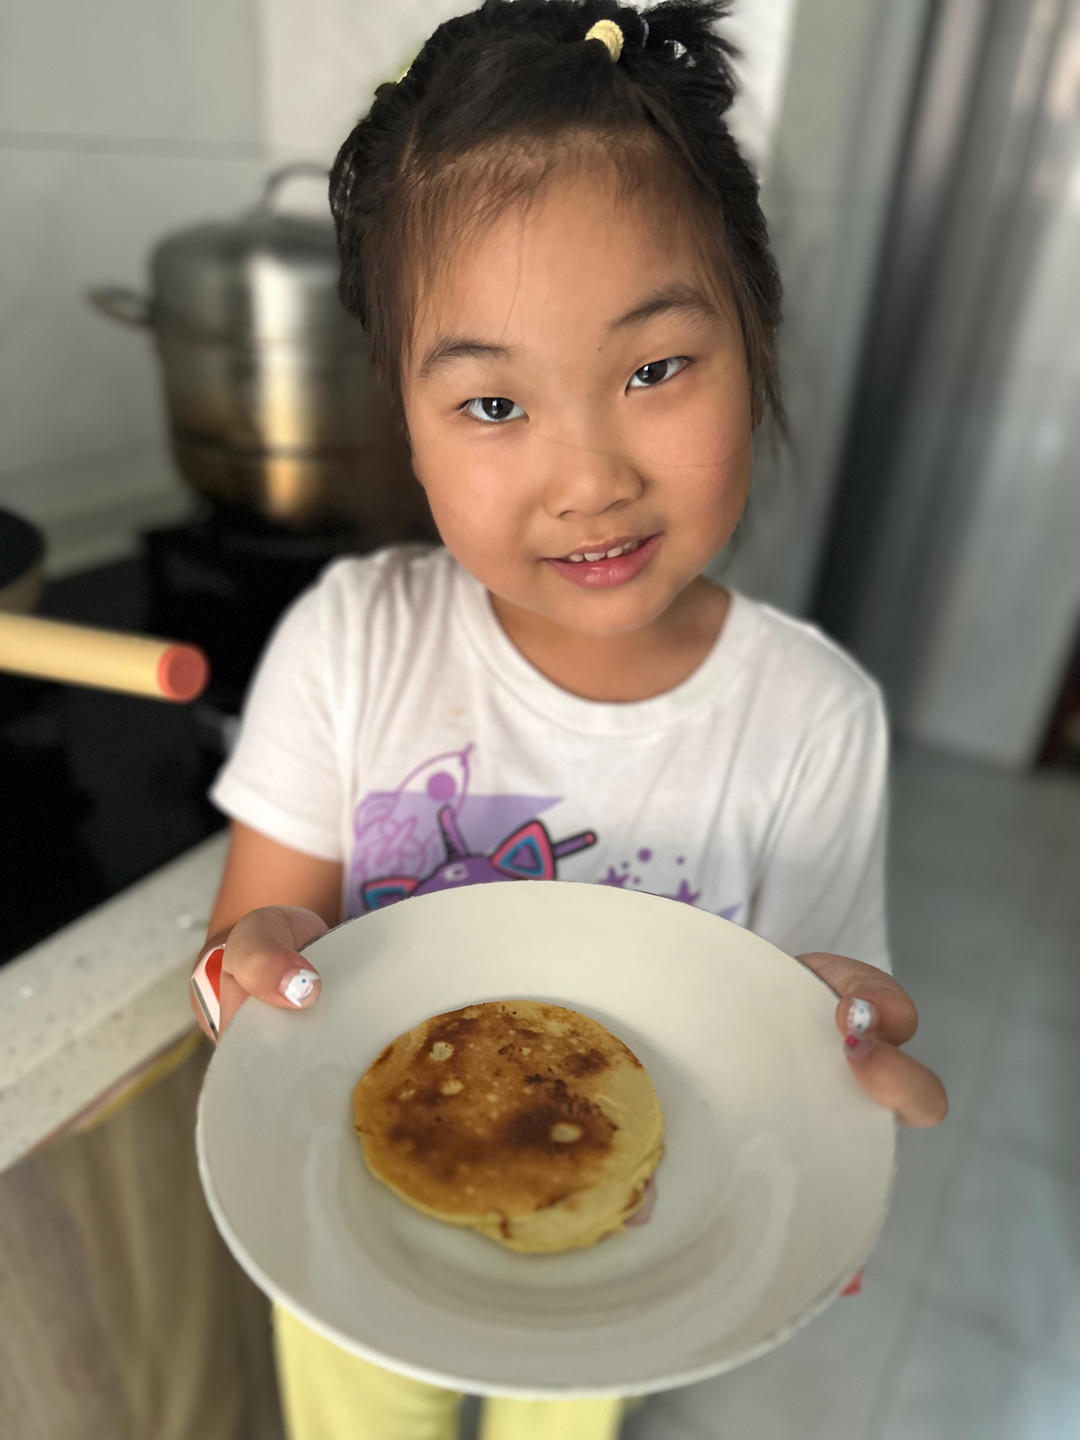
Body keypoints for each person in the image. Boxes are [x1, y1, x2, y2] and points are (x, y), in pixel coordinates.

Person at [190, 3, 948, 1437]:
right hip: (352, 1241)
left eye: (655, 369)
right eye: (492, 404)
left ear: (757, 342)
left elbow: (808, 1034)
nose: (589, 478)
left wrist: (833, 1099)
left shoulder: (812, 719)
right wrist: (251, 966)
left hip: (630, 1259)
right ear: (404, 421)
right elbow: (245, 961)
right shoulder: (352, 644)